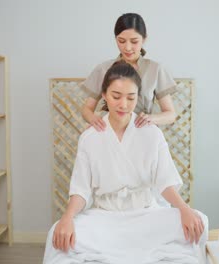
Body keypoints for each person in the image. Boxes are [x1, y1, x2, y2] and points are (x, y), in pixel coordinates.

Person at [43, 61, 207, 264]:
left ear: (138, 96)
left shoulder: (151, 133)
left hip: (146, 216)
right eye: (116, 96)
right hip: (105, 218)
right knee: (55, 234)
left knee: (199, 221)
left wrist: (184, 209)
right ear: (103, 95)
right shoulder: (90, 137)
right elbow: (81, 189)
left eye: (131, 98)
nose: (123, 105)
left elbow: (165, 181)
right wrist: (67, 218)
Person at [81, 13, 177, 131]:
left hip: (143, 133)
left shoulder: (155, 69)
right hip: (110, 133)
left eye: (134, 41)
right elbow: (87, 109)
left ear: (144, 39)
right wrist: (95, 120)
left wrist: (151, 118)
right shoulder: (103, 69)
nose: (127, 47)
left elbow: (171, 114)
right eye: (121, 41)